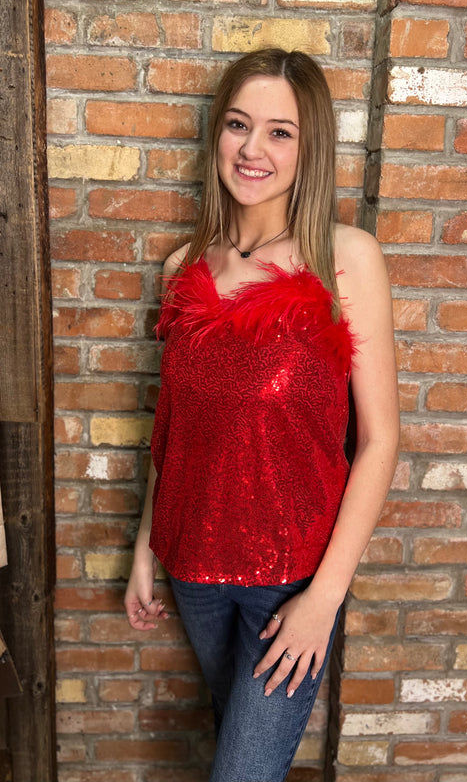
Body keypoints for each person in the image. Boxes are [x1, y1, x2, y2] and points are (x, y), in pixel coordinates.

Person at [124, 48, 399, 782]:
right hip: (194, 572)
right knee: (238, 746)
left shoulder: (343, 259)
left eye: (280, 132)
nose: (252, 149)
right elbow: (173, 429)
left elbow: (378, 441)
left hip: (293, 582)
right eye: (239, 125)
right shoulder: (184, 266)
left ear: (309, 149)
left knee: (241, 772)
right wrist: (145, 548)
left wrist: (324, 600)